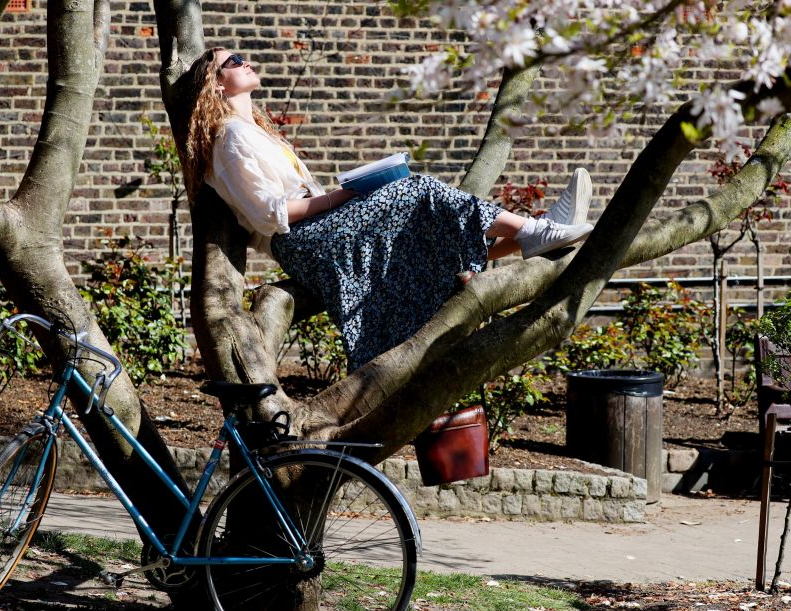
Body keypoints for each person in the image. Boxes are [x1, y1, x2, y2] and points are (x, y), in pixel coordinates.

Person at [183, 48, 594, 372]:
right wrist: (345, 195)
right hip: (303, 240)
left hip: (320, 230)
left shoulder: (255, 131)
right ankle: (535, 231)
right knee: (419, 190)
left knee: (419, 239)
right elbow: (268, 213)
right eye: (233, 61)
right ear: (216, 85)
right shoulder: (230, 139)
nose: (246, 61)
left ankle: (532, 236)